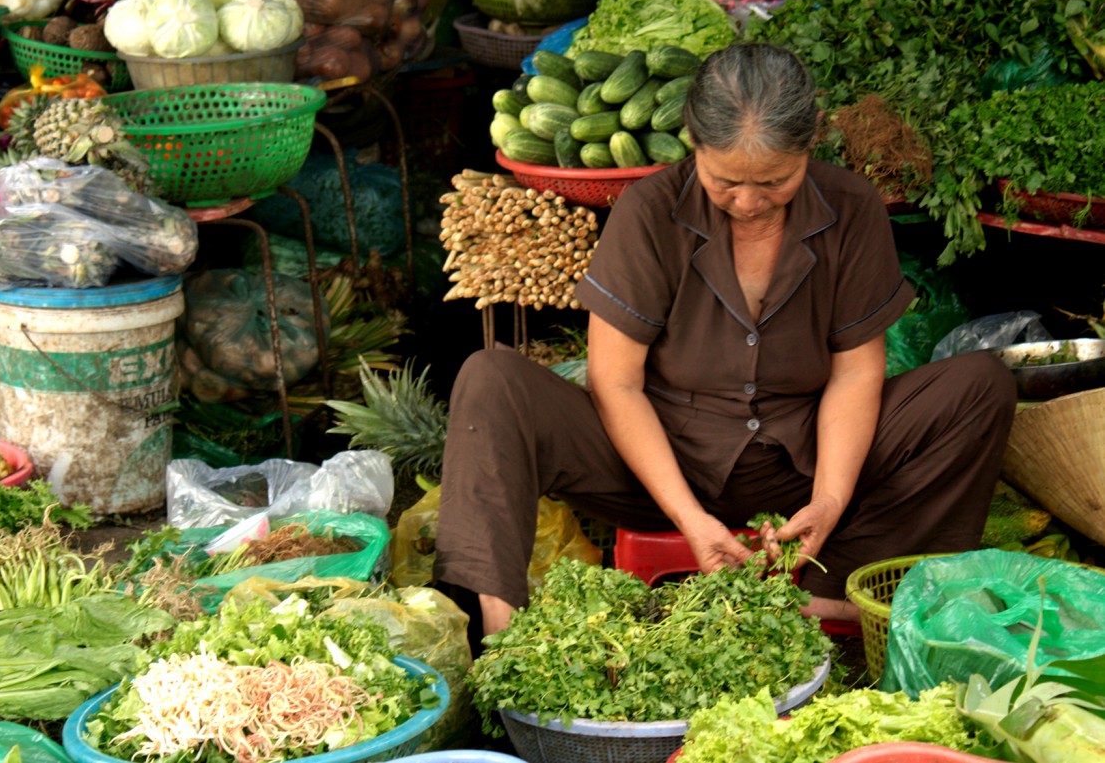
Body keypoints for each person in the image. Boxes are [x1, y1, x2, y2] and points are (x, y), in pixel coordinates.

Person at [434, 41, 1017, 637]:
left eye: (775, 181)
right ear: (692, 140)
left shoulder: (851, 207)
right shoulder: (650, 212)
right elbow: (615, 382)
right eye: (725, 181)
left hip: (802, 459)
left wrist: (829, 501)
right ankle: (500, 631)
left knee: (979, 385)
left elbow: (855, 373)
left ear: (811, 141)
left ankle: (837, 597)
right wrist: (689, 517)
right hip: (656, 465)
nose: (747, 201)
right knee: (492, 379)